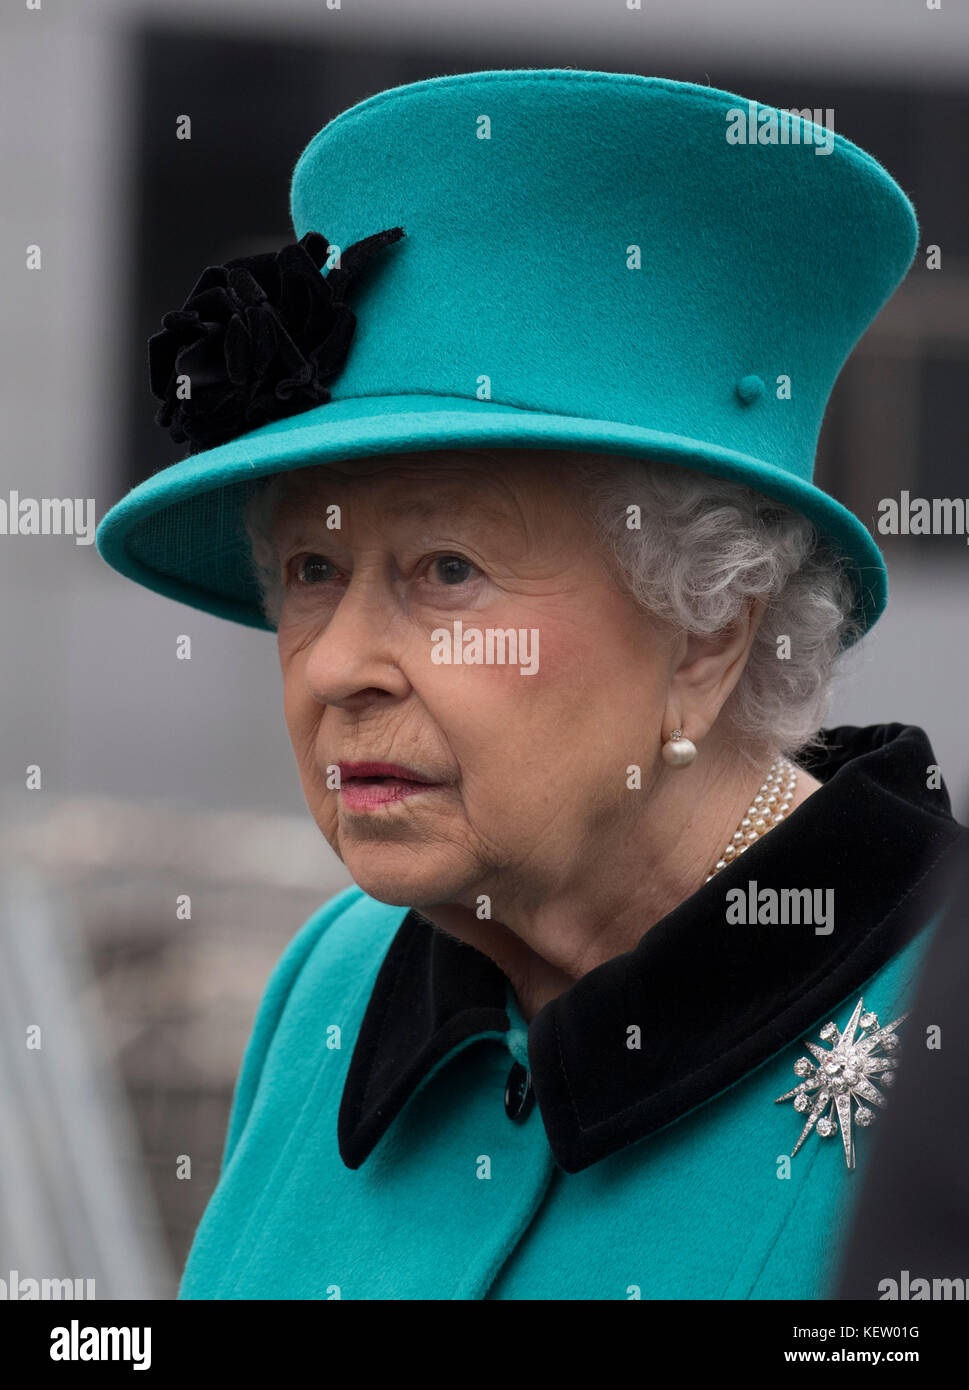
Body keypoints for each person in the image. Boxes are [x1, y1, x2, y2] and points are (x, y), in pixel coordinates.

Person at [96, 68, 966, 1299]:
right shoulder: (334, 986)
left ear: (707, 632)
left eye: (448, 570)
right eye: (310, 567)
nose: (336, 666)